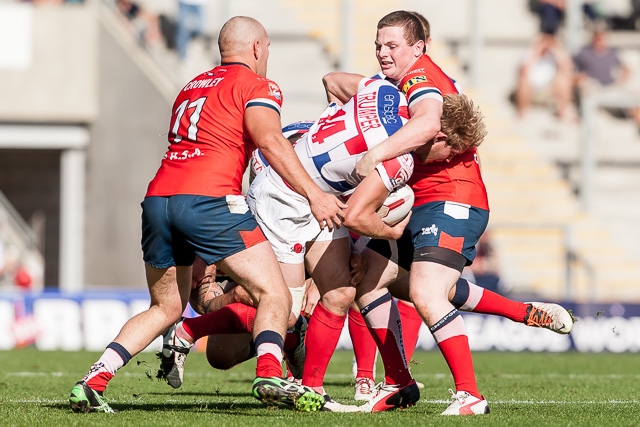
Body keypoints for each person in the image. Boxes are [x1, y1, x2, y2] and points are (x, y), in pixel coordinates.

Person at [68, 16, 345, 414]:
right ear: (257, 48)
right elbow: (269, 140)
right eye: (267, 49)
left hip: (159, 200)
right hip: (210, 199)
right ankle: (269, 373)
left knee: (164, 308)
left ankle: (92, 381)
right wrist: (315, 195)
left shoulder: (191, 87)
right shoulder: (257, 85)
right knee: (275, 293)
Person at [323, 10, 573, 416]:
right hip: (420, 202)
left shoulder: (422, 80)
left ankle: (470, 396)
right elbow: (335, 81)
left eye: (392, 45)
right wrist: (347, 114)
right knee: (367, 279)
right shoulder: (392, 84)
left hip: (453, 199)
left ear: (418, 48)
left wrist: (373, 153)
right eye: (378, 45)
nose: (383, 53)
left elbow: (425, 123)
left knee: (425, 290)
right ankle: (401, 383)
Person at [159, 76, 417, 413]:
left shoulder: (380, 94)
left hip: (319, 200)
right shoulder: (400, 157)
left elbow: (332, 80)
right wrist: (391, 233)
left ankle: (310, 387)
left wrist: (351, 250)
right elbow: (356, 212)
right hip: (283, 203)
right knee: (279, 315)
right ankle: (190, 332)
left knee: (340, 293)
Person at [573, 25, 640, 132]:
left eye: (601, 36)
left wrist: (622, 79)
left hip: (612, 86)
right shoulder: (584, 53)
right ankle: (589, 124)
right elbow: (571, 70)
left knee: (635, 95)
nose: (599, 40)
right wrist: (579, 78)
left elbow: (626, 69)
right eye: (597, 36)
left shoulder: (613, 53)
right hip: (594, 86)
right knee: (587, 87)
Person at [514, 33, 576, 122]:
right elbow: (523, 70)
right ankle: (522, 112)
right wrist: (536, 52)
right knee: (524, 79)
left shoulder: (555, 55)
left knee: (564, 78)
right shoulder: (528, 53)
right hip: (531, 90)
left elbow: (568, 68)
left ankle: (564, 112)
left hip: (550, 91)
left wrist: (556, 50)